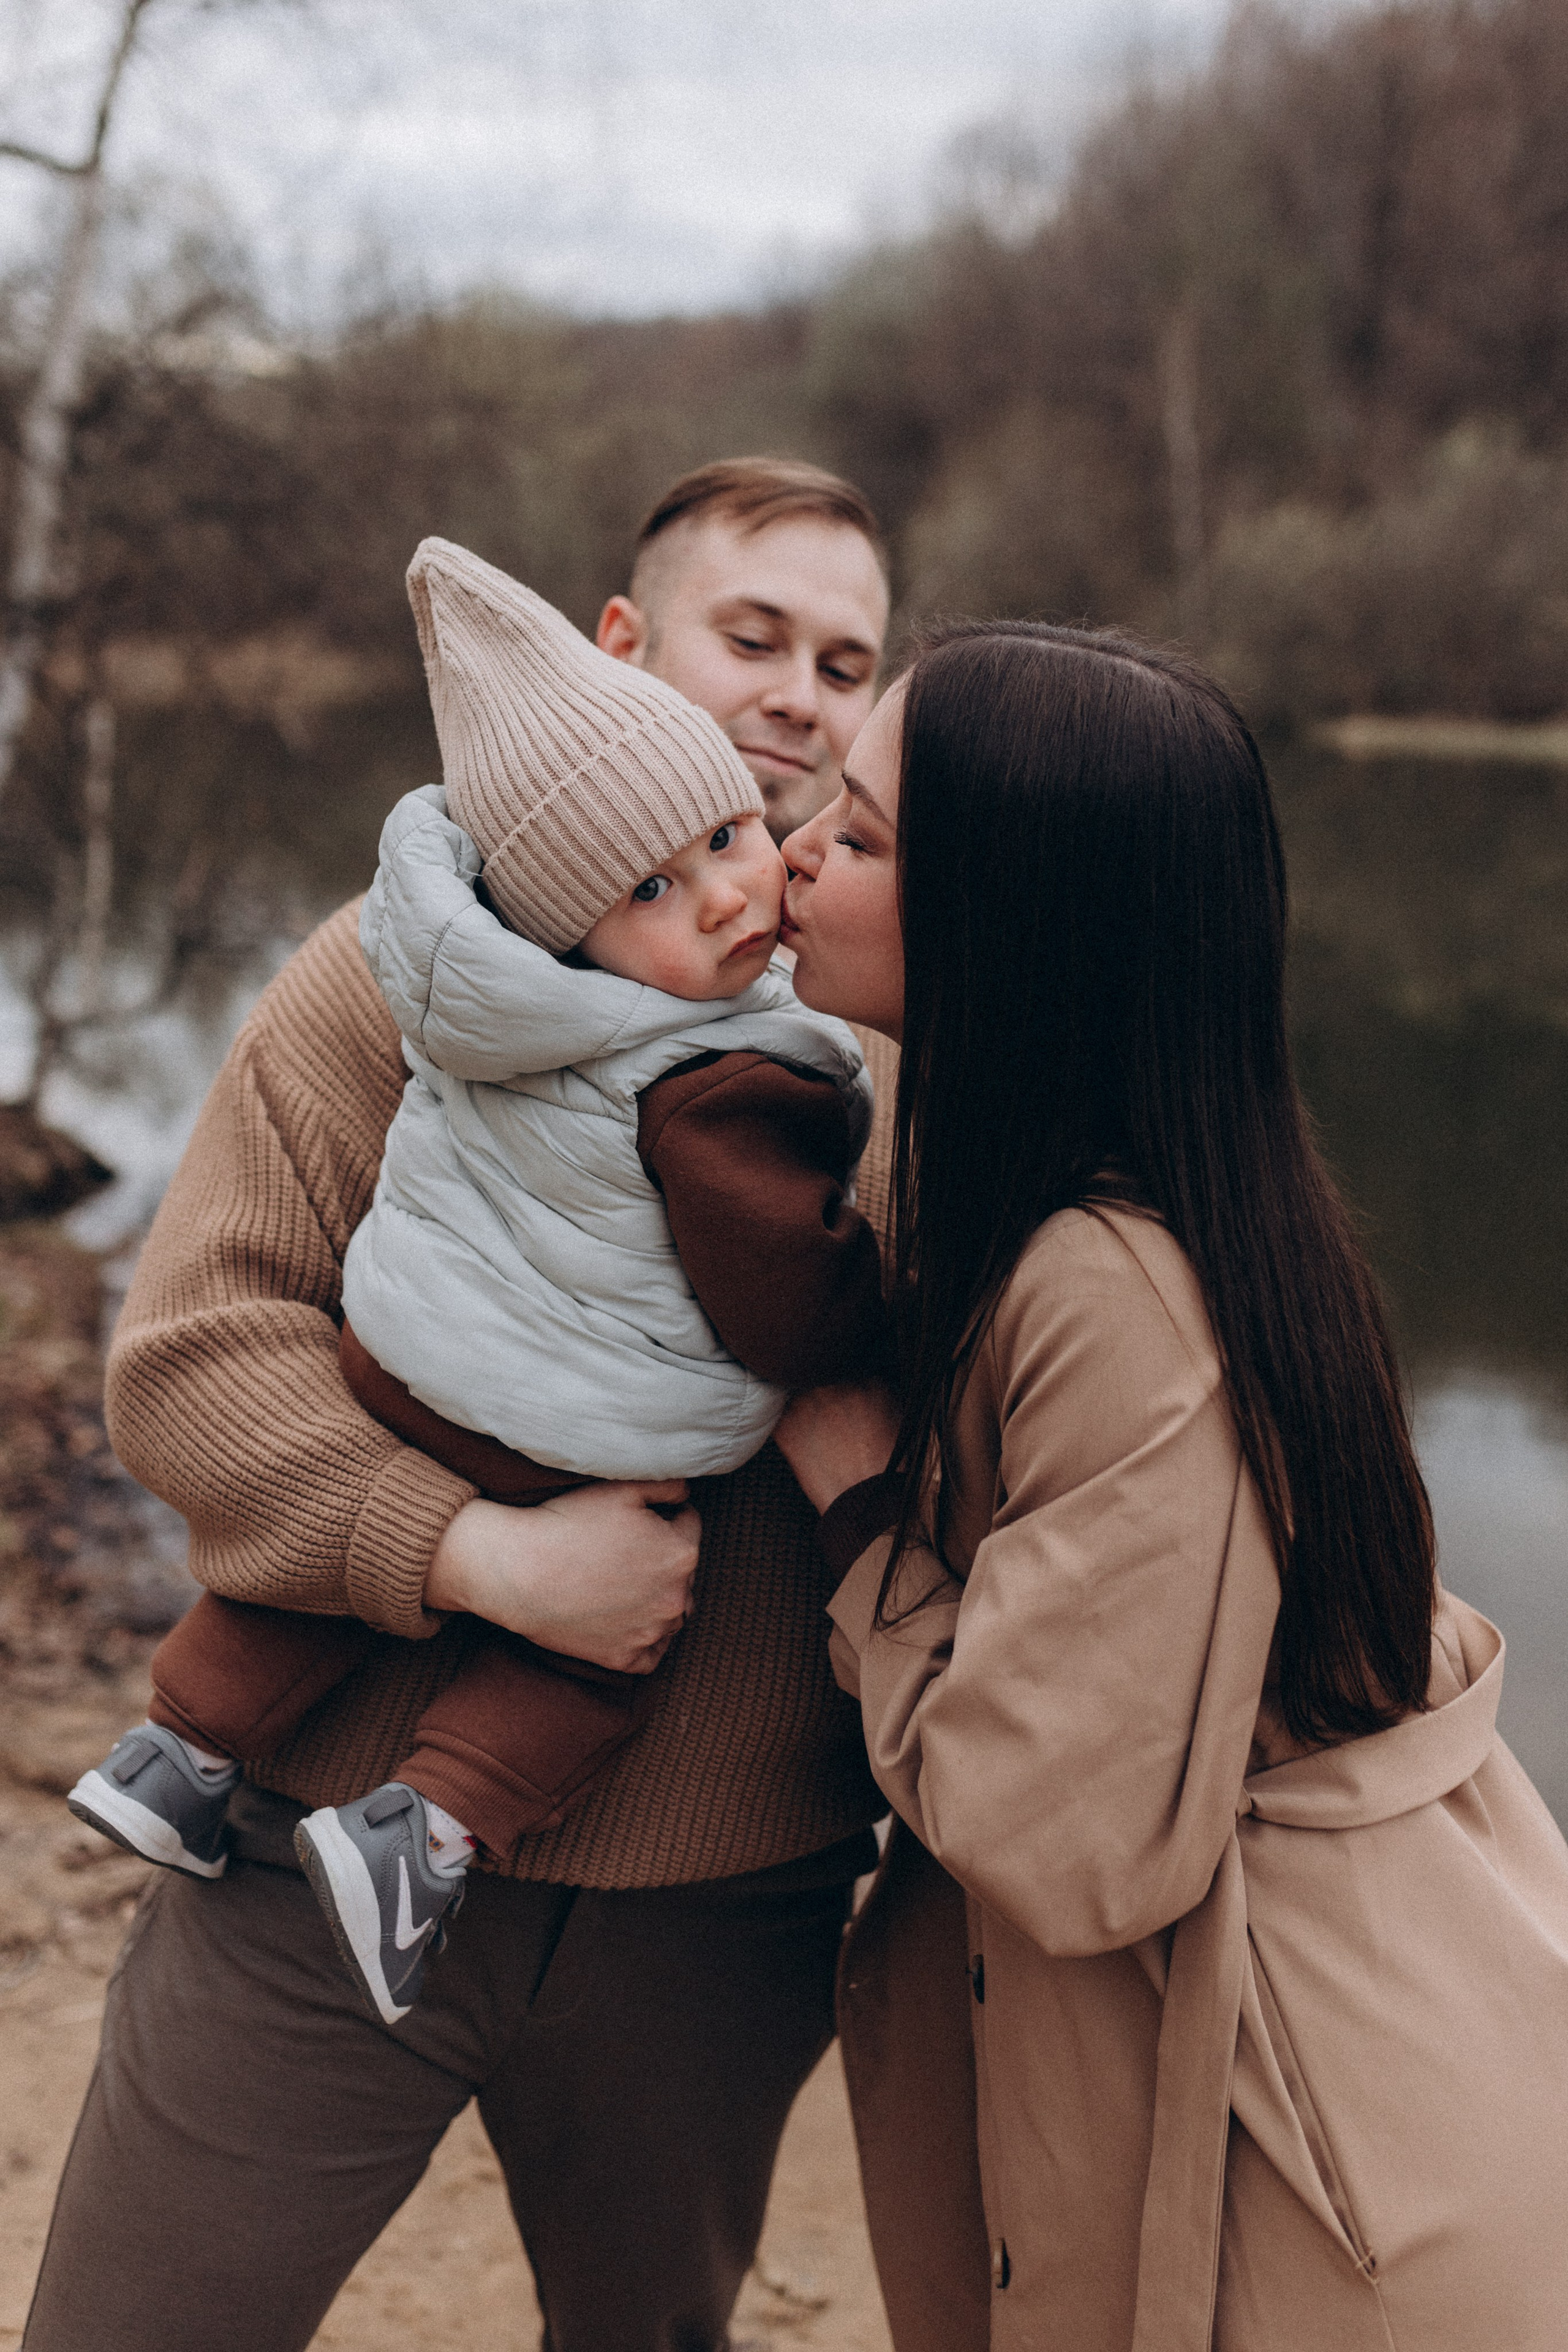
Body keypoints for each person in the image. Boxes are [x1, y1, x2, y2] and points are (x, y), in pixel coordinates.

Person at [23, 459, 897, 2352]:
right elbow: (190, 1357)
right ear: (618, 645)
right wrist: (477, 1553)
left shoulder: (881, 1027)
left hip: (726, 1898)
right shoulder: (392, 979)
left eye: (847, 664)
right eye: (753, 636)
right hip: (316, 1835)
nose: (799, 697)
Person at [773, 619, 1568, 2352]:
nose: (797, 854)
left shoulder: (1117, 1295)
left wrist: (860, 1516)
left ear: (1012, 925)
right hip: (1372, 2043)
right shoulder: (1174, 1187)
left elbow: (1057, 1834)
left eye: (864, 834)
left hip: (1311, 2165)